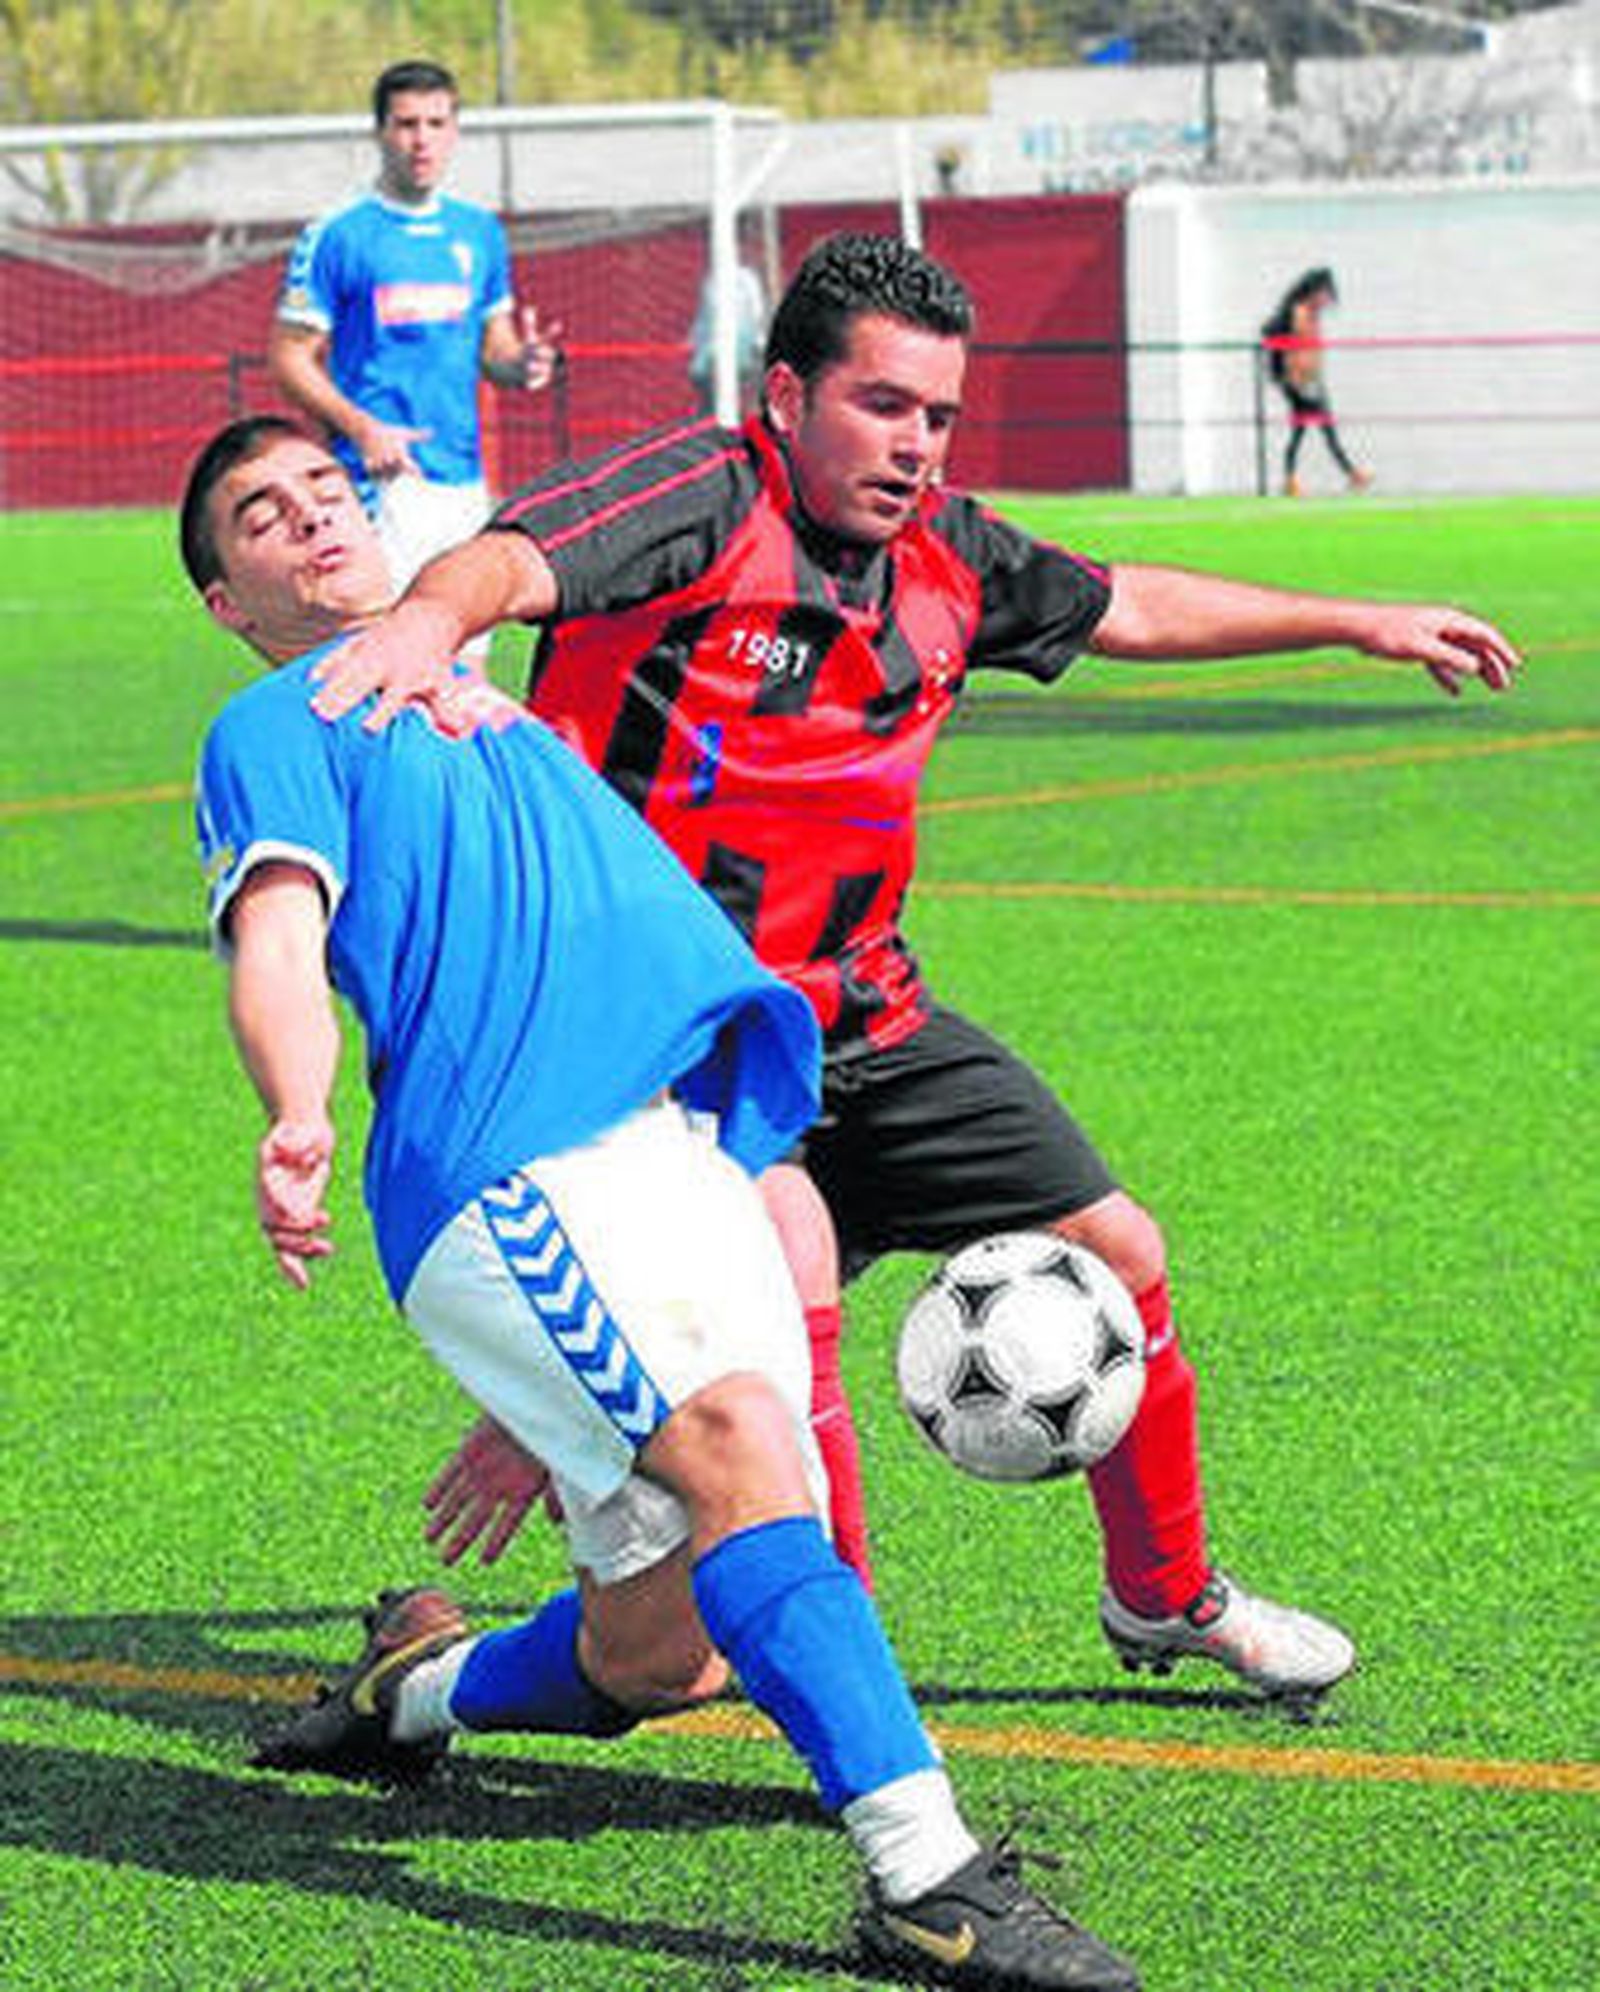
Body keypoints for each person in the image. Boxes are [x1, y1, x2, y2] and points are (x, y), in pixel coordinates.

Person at [309, 231, 1520, 1708]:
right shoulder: (701, 501)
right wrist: (431, 620)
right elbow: (511, 558)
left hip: (870, 1017)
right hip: (678, 1055)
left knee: (1123, 1253)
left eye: (939, 416)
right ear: (784, 397)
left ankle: (1166, 1597)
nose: (916, 446)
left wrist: (1360, 624)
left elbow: (1123, 601)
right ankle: (836, 1669)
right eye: (882, 405)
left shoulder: (948, 556)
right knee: (798, 1269)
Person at [180, 413, 1142, 1992]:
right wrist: (296, 1109)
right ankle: (929, 1882)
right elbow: (278, 940)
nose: (312, 522)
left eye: (326, 494)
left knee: (670, 1644)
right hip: (514, 1164)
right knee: (748, 1455)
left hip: (680, 1160)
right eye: (262, 519)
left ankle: (411, 1694)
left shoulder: (498, 711)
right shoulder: (277, 725)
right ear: (230, 598)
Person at [268, 59, 560, 601]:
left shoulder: (479, 232)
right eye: (406, 124)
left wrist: (523, 365)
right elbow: (288, 358)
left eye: (435, 123)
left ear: (454, 131)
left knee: (464, 659)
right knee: (386, 654)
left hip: (463, 479)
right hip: (379, 480)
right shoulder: (338, 235)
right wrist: (362, 429)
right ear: (380, 132)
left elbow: (494, 348)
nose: (421, 140)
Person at [1260, 267, 1372, 498]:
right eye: (1324, 295)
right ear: (1313, 292)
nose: (1327, 300)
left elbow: (1313, 350)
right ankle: (1351, 474)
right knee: (1323, 428)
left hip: (1311, 381)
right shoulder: (1298, 313)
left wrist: (1315, 377)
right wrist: (1295, 381)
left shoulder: (1312, 314)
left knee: (1303, 430)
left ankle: (1292, 479)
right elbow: (1290, 349)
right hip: (1299, 383)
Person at [688, 255, 768, 417]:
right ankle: (711, 415)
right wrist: (695, 340)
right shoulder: (712, 281)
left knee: (746, 379)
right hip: (717, 345)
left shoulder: (746, 279)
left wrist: (759, 339)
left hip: (742, 343)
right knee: (700, 374)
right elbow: (706, 316)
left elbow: (757, 311)